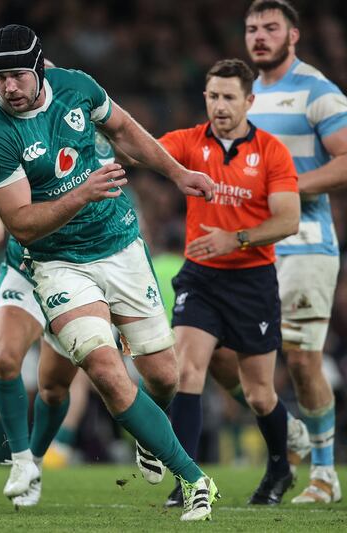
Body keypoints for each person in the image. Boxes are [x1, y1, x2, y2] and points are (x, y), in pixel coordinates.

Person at [0, 24, 219, 521]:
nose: (9, 88)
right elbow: (21, 225)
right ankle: (196, 480)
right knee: (105, 370)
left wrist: (178, 174)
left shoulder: (78, 87)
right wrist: (81, 193)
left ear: (40, 67)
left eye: (18, 75)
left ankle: (150, 438)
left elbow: (125, 130)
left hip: (120, 245)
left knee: (164, 378)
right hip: (58, 263)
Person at [0, 132, 160, 509]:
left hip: (80, 276)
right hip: (26, 270)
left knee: (56, 388)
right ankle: (21, 461)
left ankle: (38, 459)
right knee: (5, 360)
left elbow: (131, 221)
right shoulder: (12, 138)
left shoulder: (99, 142)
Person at [154, 59, 300, 506]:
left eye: (229, 97)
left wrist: (233, 239)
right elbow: (140, 149)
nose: (220, 106)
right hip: (200, 278)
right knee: (187, 370)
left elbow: (288, 220)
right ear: (205, 98)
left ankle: (280, 467)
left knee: (259, 394)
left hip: (253, 280)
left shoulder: (272, 151)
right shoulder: (189, 142)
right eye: (213, 96)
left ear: (249, 101)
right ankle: (188, 480)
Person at [244, 0, 347, 504]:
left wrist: (288, 186)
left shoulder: (317, 91)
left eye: (270, 28)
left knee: (303, 361)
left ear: (293, 36)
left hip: (305, 243)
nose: (259, 36)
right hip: (252, 245)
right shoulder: (242, 96)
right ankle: (292, 432)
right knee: (218, 351)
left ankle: (325, 474)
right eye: (252, 29)